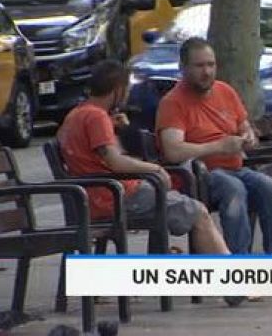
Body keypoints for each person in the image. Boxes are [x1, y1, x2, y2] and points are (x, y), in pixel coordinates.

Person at [57, 60, 238, 305]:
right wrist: (153, 168)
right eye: (126, 88)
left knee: (173, 199)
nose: (128, 94)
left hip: (93, 197)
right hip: (115, 197)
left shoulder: (75, 116)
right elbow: (115, 161)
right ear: (117, 89)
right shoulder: (96, 117)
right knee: (199, 212)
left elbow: (88, 154)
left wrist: (112, 126)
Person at [156, 37, 272, 257]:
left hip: (236, 168)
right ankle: (238, 266)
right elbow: (173, 151)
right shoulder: (173, 102)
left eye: (211, 64)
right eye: (199, 66)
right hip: (198, 174)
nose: (207, 72)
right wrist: (218, 146)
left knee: (269, 187)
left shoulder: (225, 91)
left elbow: (245, 127)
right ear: (183, 68)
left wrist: (248, 137)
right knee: (233, 189)